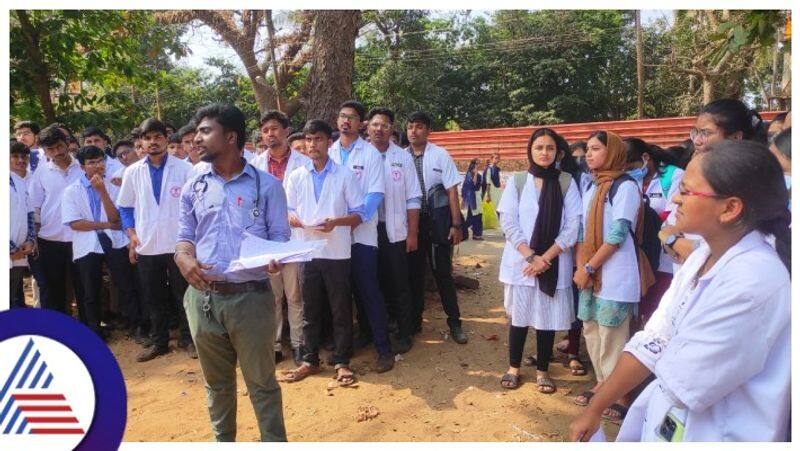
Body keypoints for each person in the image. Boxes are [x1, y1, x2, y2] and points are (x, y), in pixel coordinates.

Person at [570, 139, 791, 442]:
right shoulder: (703, 256)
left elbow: (687, 378)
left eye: (686, 191)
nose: (675, 200)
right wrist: (597, 405)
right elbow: (653, 338)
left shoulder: (753, 280)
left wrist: (665, 343)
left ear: (730, 208)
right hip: (671, 421)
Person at [174, 103, 288, 442]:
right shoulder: (195, 184)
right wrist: (183, 258)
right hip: (202, 301)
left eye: (205, 132)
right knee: (217, 386)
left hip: (250, 300)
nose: (196, 139)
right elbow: (184, 236)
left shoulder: (266, 186)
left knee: (262, 385)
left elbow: (280, 238)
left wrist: (274, 258)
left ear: (231, 137)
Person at [572, 131, 655, 422]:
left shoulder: (625, 186)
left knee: (614, 334)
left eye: (595, 149)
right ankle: (602, 382)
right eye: (588, 150)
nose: (589, 154)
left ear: (614, 152)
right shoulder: (593, 186)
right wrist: (580, 267)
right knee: (592, 329)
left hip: (615, 272)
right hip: (590, 273)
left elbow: (618, 234)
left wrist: (589, 268)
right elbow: (583, 231)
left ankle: (620, 393)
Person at [280, 119, 364, 385]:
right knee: (310, 309)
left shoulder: (344, 175)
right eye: (308, 139)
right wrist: (291, 217)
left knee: (340, 308)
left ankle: (341, 361)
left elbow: (359, 214)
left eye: (318, 139)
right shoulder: (296, 176)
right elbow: (288, 208)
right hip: (307, 251)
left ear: (329, 142)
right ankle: (310, 359)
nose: (312, 144)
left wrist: (336, 222)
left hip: (336, 251)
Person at [496, 128, 581, 393]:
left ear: (558, 153)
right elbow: (508, 221)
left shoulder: (567, 182)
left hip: (553, 263)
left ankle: (543, 370)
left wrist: (545, 259)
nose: (544, 153)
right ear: (530, 151)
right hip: (522, 263)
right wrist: (531, 256)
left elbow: (573, 225)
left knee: (547, 320)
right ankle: (514, 367)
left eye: (550, 148)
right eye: (539, 148)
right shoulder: (518, 181)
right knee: (519, 318)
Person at [117, 117, 195, 362]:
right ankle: (159, 341)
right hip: (147, 244)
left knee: (184, 294)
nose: (153, 142)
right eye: (148, 138)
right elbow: (125, 207)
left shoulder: (184, 169)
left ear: (165, 139)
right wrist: (131, 235)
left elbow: (195, 205)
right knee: (153, 296)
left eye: (158, 137)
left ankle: (189, 339)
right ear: (141, 142)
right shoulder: (132, 172)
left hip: (179, 243)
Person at [659, 99, 766, 272]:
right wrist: (670, 239)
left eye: (706, 133)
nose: (697, 141)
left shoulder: (748, 183)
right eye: (696, 132)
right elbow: (669, 224)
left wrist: (673, 241)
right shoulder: (695, 169)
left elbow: (722, 253)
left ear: (735, 137)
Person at [329, 100, 395, 372]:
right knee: (340, 295)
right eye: (343, 116)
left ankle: (384, 349)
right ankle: (345, 349)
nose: (346, 121)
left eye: (352, 118)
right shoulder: (329, 151)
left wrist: (354, 221)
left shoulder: (369, 154)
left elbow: (376, 193)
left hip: (362, 236)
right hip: (333, 238)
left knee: (369, 290)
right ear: (337, 120)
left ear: (361, 124)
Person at [252, 110, 311, 366]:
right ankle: (274, 344)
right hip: (267, 241)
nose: (270, 134)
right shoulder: (254, 166)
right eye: (265, 131)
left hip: (295, 237)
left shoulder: (304, 163)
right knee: (272, 296)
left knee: (295, 294)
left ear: (286, 131)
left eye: (275, 129)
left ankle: (299, 343)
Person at [62, 145, 139, 340]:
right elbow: (75, 223)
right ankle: (94, 331)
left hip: (115, 240)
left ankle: (137, 326)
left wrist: (102, 191)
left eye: (100, 161)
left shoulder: (113, 185)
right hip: (88, 243)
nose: (97, 166)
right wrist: (104, 224)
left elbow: (117, 219)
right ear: (82, 167)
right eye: (91, 163)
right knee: (90, 289)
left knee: (125, 283)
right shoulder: (71, 191)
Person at [405, 111, 468, 344]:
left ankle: (455, 323)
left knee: (442, 273)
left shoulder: (440, 154)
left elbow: (452, 190)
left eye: (419, 126)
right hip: (412, 223)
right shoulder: (401, 156)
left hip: (438, 220)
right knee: (414, 275)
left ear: (428, 130)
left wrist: (456, 224)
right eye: (410, 126)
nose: (413, 131)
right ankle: (414, 323)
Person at [366, 106, 421, 354]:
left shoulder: (403, 157)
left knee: (400, 283)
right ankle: (370, 331)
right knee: (369, 283)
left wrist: (412, 233)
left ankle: (404, 332)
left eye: (385, 125)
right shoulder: (361, 156)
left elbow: (413, 198)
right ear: (368, 127)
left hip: (396, 231)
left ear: (391, 129)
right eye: (375, 124)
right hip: (365, 232)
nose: (379, 129)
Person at [623, 138, 684, 324]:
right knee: (641, 307)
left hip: (665, 256)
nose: (629, 171)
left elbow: (673, 213)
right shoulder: (630, 181)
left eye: (631, 165)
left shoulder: (673, 176)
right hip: (640, 254)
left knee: (660, 308)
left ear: (645, 157)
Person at [28, 125, 85, 315]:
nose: (57, 152)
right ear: (44, 151)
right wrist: (34, 237)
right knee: (54, 289)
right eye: (50, 149)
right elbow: (35, 207)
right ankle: (58, 330)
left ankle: (90, 329)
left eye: (60, 146)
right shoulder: (41, 173)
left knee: (85, 287)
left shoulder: (83, 168)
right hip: (50, 239)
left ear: (67, 143)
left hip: (81, 238)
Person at [10, 141, 36, 308]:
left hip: (20, 254)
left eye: (24, 156)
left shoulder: (20, 181)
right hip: (11, 251)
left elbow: (29, 214)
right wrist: (10, 248)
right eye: (15, 156)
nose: (20, 160)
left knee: (11, 297)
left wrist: (31, 240)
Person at [462, 158, 484, 240]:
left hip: (478, 197)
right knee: (475, 216)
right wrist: (475, 174)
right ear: (474, 164)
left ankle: (476, 234)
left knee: (475, 216)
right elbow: (472, 184)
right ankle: (472, 233)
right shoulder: (470, 174)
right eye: (478, 163)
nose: (479, 165)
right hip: (472, 197)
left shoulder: (479, 175)